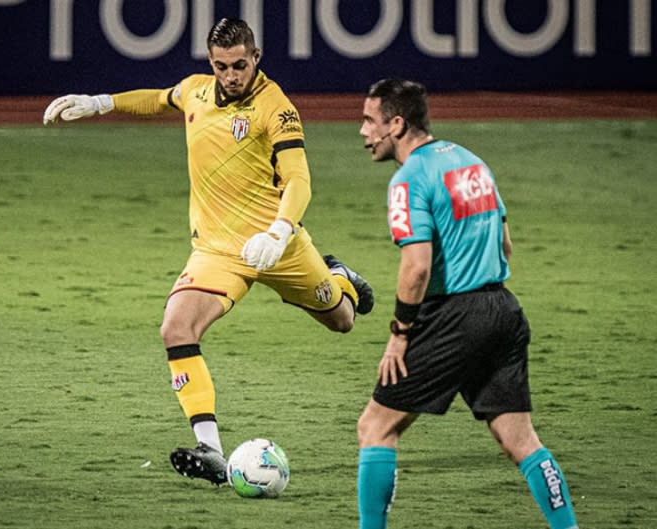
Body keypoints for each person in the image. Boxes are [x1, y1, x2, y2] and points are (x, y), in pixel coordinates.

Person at [43, 18, 374, 486]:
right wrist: (101, 103)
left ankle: (341, 278)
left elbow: (299, 178)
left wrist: (280, 232)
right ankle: (212, 452)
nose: (232, 75)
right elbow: (158, 99)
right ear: (211, 64)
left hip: (277, 246)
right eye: (222, 66)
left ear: (256, 58)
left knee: (342, 319)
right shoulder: (196, 91)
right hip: (217, 251)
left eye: (240, 65)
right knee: (176, 326)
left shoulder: (275, 108)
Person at [355, 78, 579, 529]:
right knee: (519, 439)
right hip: (503, 310)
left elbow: (416, 267)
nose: (362, 131)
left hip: (453, 316)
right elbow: (506, 244)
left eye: (369, 120)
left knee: (375, 427)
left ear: (396, 124)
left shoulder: (409, 179)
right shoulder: (472, 162)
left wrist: (400, 335)